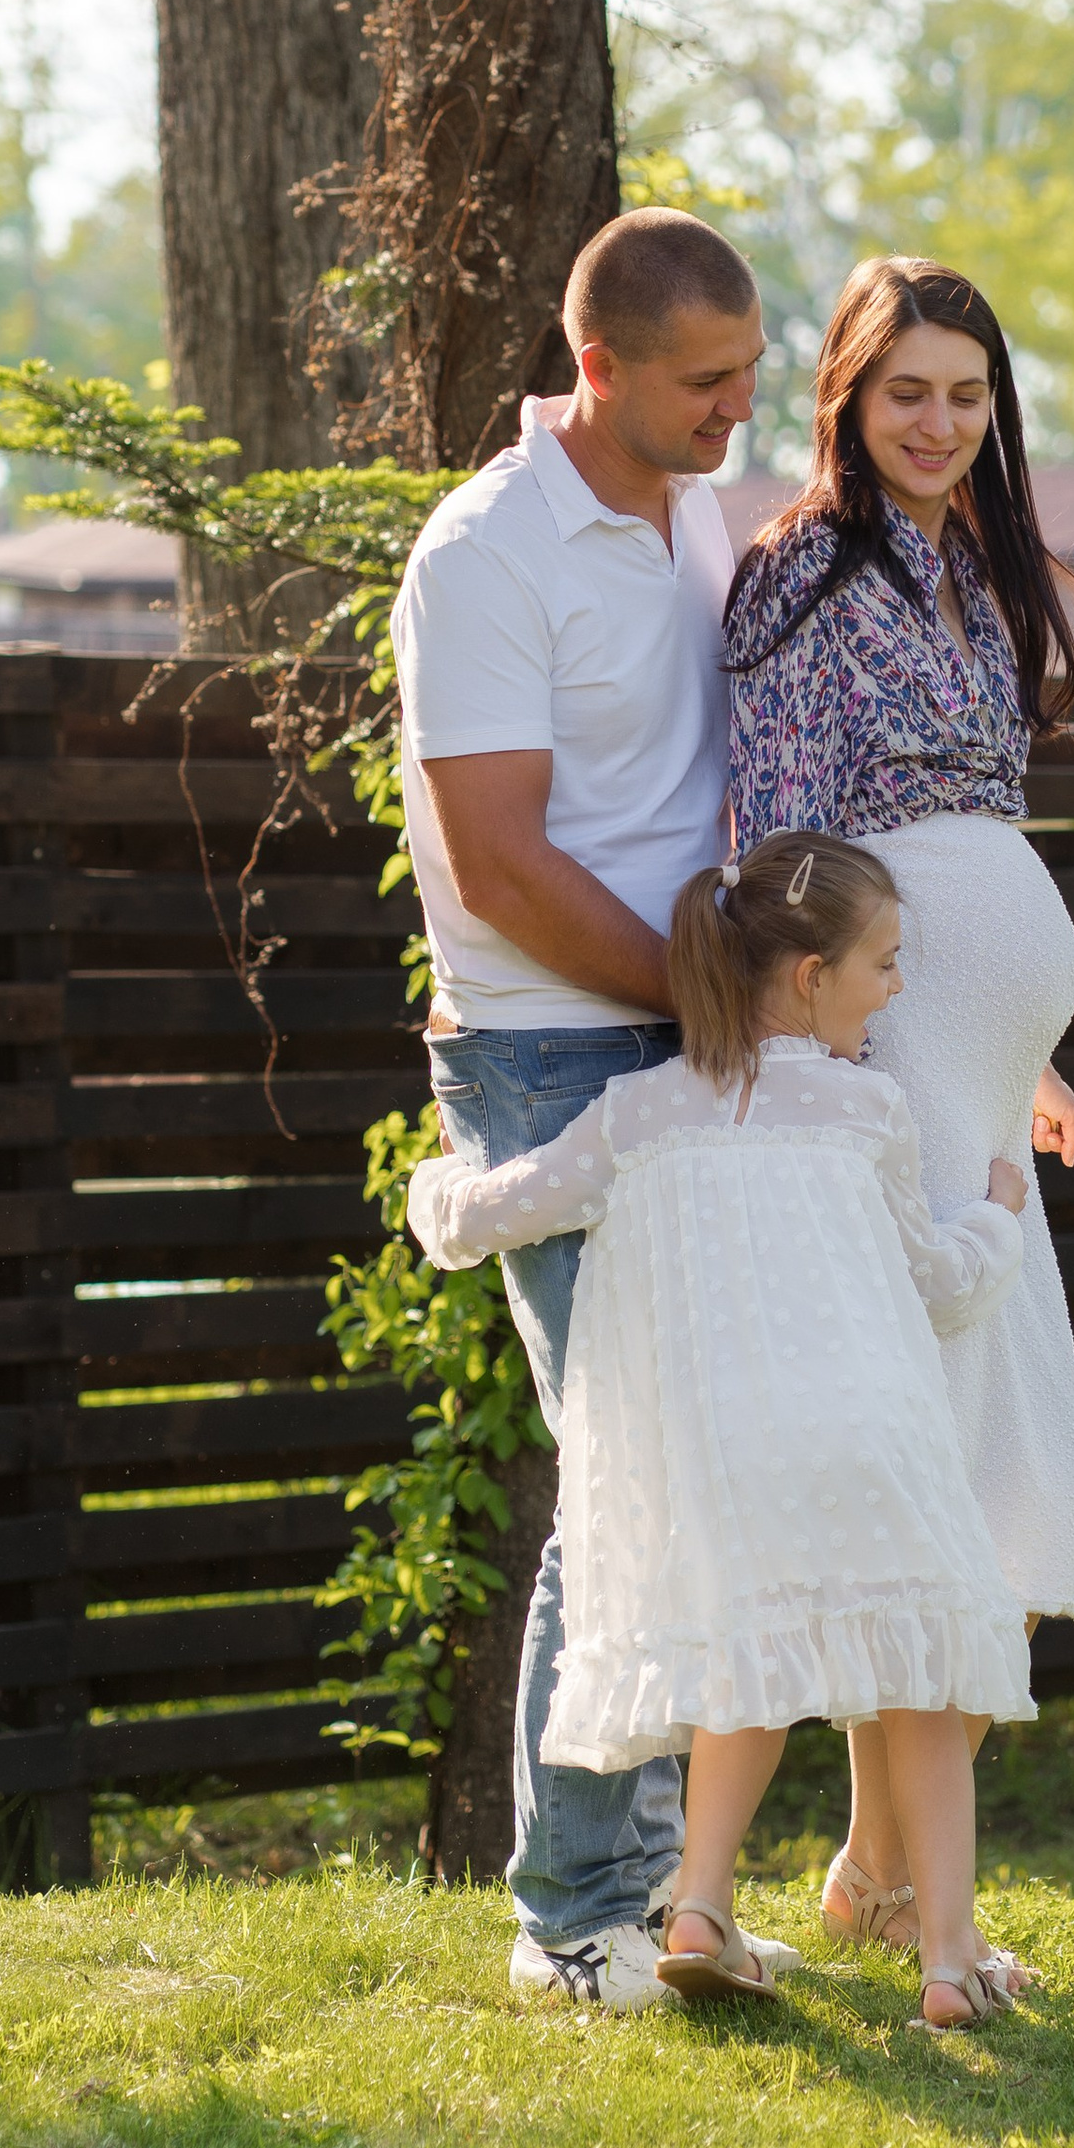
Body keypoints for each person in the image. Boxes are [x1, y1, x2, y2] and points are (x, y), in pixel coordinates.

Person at [404, 830, 1038, 2025]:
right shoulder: (864, 1108)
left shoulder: (639, 1113)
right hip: (873, 1444)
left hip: (727, 1463)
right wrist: (999, 1212)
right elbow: (942, 1284)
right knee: (923, 1681)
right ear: (809, 978)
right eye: (884, 965)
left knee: (739, 1670)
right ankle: (949, 1962)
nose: (895, 990)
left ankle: (698, 1902)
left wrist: (434, 1188)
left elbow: (503, 1209)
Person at [389, 205, 793, 2014]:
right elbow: (497, 863)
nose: (738, 414)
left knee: (694, 1461)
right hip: (555, 1044)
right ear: (601, 366)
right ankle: (569, 1919)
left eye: (751, 378)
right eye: (707, 385)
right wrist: (704, 1002)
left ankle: (653, 1891)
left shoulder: (691, 506)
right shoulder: (485, 557)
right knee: (626, 1464)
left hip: (685, 1038)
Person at [722, 254, 1074, 1960]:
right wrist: (840, 1061)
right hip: (887, 1050)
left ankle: (880, 1876)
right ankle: (887, 1886)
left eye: (966, 393)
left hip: (973, 1059)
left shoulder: (972, 567)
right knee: (927, 1451)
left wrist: (1028, 1050)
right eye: (907, 393)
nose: (939, 423)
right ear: (848, 400)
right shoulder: (805, 574)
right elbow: (789, 837)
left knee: (965, 1444)